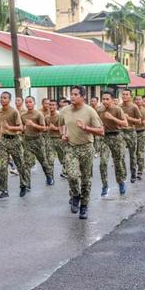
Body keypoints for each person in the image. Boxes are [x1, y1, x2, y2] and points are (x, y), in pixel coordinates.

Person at [59, 85, 104, 220]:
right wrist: (63, 134)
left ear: (83, 97)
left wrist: (86, 127)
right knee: (72, 175)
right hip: (71, 147)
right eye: (71, 94)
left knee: (85, 179)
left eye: (76, 94)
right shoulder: (64, 110)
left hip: (86, 147)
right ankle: (75, 195)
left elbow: (101, 131)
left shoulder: (90, 111)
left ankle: (84, 206)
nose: (72, 97)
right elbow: (60, 124)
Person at [0, 92, 29, 198]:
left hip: (14, 141)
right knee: (3, 166)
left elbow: (21, 128)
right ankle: (4, 190)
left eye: (5, 98)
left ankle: (23, 185)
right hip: (4, 141)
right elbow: (0, 126)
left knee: (20, 165)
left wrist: (10, 128)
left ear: (9, 100)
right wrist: (0, 135)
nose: (2, 99)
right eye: (1, 98)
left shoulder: (14, 112)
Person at [98, 91, 127, 196]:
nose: (105, 101)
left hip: (116, 136)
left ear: (112, 100)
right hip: (104, 138)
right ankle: (105, 185)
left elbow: (125, 123)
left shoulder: (117, 109)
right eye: (103, 99)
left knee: (118, 162)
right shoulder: (99, 110)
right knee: (103, 163)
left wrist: (112, 118)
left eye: (107, 99)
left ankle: (121, 182)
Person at [21, 96, 54, 187]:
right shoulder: (23, 116)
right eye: (27, 102)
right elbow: (22, 127)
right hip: (27, 141)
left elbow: (43, 128)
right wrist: (23, 129)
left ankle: (49, 177)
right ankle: (27, 184)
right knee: (26, 163)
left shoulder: (38, 114)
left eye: (30, 102)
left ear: (34, 103)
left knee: (43, 161)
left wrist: (33, 124)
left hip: (38, 140)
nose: (28, 104)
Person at [120, 89, 142, 183]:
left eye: (126, 94)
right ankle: (123, 174)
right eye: (123, 94)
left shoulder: (134, 107)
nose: (124, 96)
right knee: (121, 154)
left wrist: (129, 118)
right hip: (121, 132)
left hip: (131, 132)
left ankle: (133, 173)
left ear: (130, 96)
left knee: (132, 155)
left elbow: (139, 121)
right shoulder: (118, 107)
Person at [46, 99, 67, 178]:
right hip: (50, 139)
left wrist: (55, 128)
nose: (51, 106)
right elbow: (45, 127)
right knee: (50, 159)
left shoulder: (60, 116)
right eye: (50, 105)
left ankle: (65, 172)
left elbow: (64, 127)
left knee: (62, 158)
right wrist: (47, 128)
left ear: (56, 106)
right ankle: (50, 176)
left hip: (59, 139)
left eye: (53, 105)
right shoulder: (47, 117)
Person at [135, 96, 145, 179]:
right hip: (133, 133)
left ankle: (140, 170)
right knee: (134, 152)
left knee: (140, 151)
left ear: (142, 101)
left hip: (142, 132)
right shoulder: (132, 109)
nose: (137, 101)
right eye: (136, 99)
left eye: (139, 99)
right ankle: (136, 167)